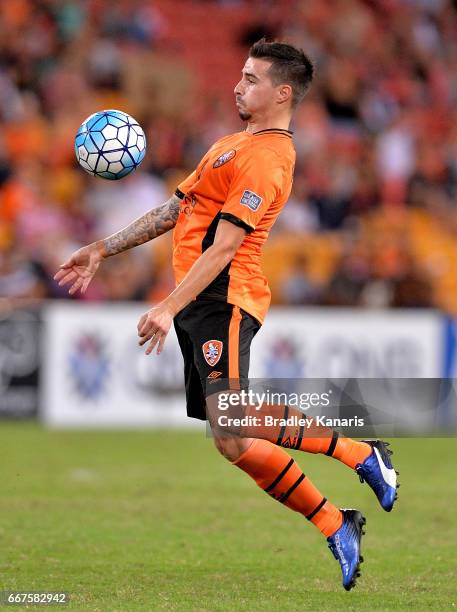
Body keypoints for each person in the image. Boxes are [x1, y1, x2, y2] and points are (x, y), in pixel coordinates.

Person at [54, 39, 398, 591]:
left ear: (283, 93)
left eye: (252, 79)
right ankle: (340, 519)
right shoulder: (229, 146)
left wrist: (168, 306)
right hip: (200, 302)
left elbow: (226, 245)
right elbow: (175, 210)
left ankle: (359, 458)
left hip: (224, 296)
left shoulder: (268, 159)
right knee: (231, 439)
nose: (238, 86)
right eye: (240, 75)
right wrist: (101, 248)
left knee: (233, 424)